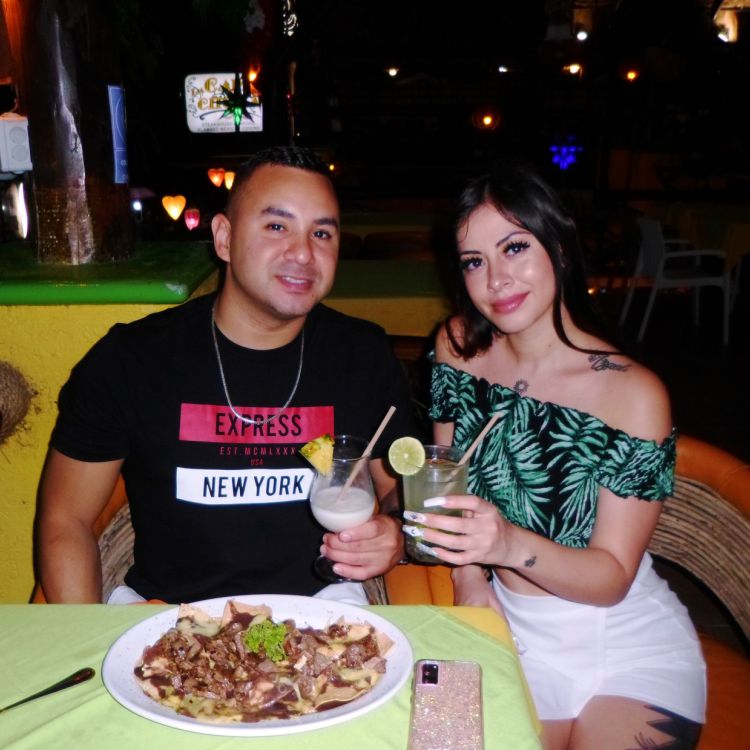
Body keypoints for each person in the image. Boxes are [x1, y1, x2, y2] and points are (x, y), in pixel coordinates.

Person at [402, 162, 706, 749]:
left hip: (625, 647)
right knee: (436, 737)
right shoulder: (457, 347)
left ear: (560, 247)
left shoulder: (632, 393)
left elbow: (612, 578)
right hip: (506, 627)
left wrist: (505, 545)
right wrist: (469, 576)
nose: (496, 279)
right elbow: (445, 488)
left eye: (515, 247)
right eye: (474, 261)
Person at [36, 145, 413, 605]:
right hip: (169, 619)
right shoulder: (131, 359)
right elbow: (66, 519)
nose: (303, 253)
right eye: (277, 226)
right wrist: (85, 638)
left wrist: (395, 531)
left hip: (322, 614)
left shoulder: (362, 354)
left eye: (322, 234)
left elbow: (397, 488)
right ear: (223, 238)